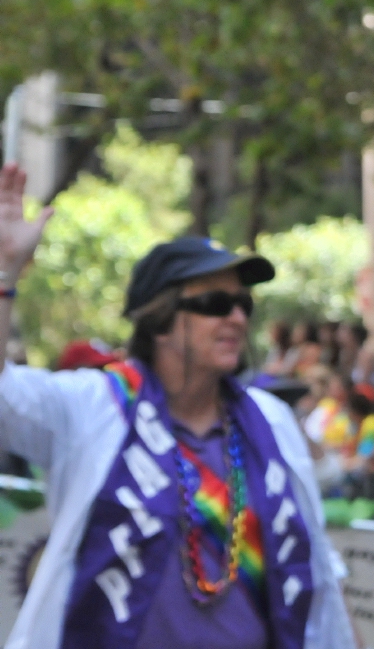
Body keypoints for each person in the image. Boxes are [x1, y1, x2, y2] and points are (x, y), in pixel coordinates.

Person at [0, 165, 355, 648]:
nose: (235, 317)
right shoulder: (94, 405)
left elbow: (314, 566)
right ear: (161, 321)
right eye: (213, 303)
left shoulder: (268, 421)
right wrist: (5, 270)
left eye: (242, 305)